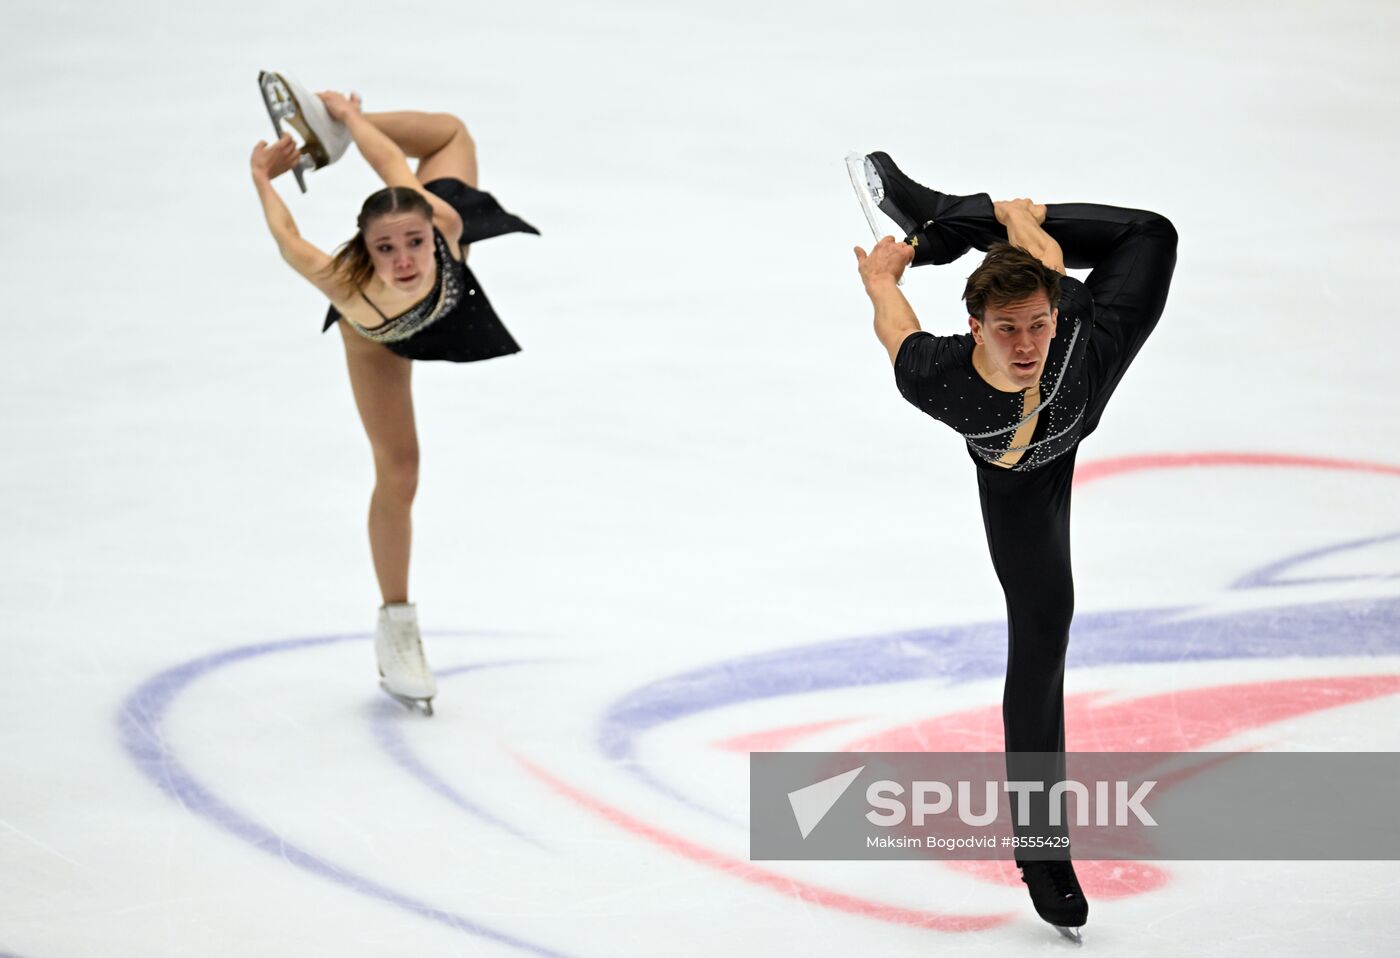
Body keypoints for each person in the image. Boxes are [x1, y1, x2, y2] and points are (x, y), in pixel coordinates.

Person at [850, 151, 1177, 940]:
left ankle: (946, 216)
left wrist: (1014, 220)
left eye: (1035, 323)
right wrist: (888, 276)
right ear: (974, 329)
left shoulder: (1063, 323)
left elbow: (1046, 264)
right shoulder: (936, 376)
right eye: (1007, 329)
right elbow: (891, 318)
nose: (1026, 342)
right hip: (1021, 488)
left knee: (1152, 237)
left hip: (1091, 377)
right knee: (1043, 634)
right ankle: (1042, 851)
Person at [249, 87, 538, 714]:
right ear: (365, 248)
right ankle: (397, 629)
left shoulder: (443, 225)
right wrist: (261, 178)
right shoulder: (342, 282)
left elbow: (392, 169)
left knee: (449, 132)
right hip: (377, 342)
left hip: (451, 303)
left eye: (412, 241)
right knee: (399, 474)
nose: (404, 259)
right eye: (385, 248)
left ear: (430, 230)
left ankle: (335, 128)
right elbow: (285, 235)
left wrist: (354, 118)